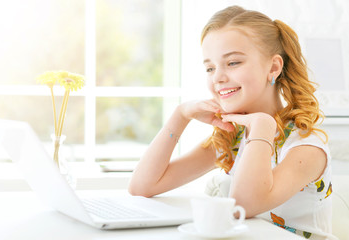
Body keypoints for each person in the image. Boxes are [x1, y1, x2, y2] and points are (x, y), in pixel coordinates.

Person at [129, 5, 336, 240]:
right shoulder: (233, 138)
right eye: (210, 67)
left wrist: (262, 126)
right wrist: (180, 116)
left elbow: (245, 206)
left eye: (233, 63)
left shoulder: (306, 146)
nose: (218, 77)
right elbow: (143, 187)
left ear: (273, 67)